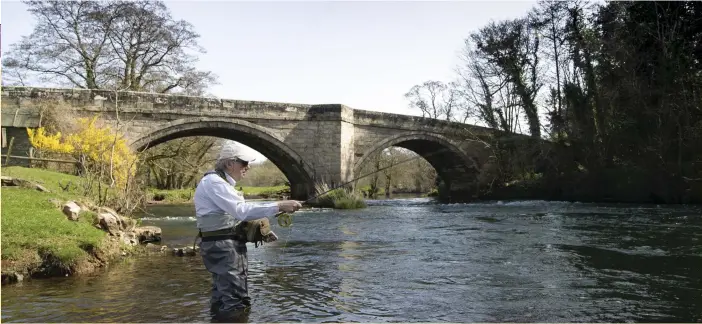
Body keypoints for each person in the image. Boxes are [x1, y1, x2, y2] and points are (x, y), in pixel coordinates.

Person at [194, 140, 302, 321]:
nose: (248, 167)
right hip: (224, 248)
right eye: (244, 163)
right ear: (229, 163)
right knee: (235, 300)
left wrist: (277, 208)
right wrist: (279, 205)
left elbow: (237, 212)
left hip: (223, 245)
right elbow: (241, 211)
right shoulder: (215, 183)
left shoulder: (219, 183)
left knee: (223, 297)